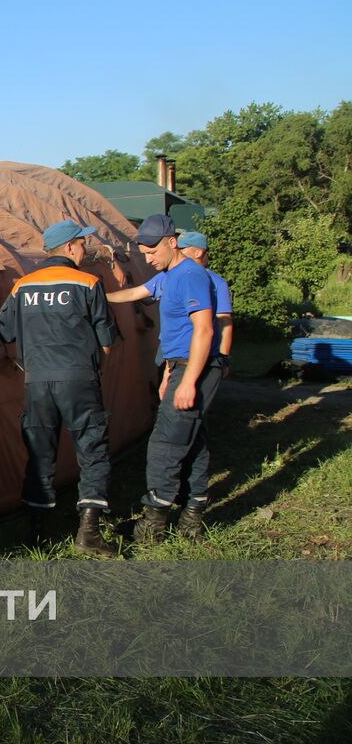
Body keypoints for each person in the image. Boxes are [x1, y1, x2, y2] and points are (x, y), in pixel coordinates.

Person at [0, 219, 119, 556]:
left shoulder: (22, 286)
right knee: (92, 448)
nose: (85, 249)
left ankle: (37, 534)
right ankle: (90, 532)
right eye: (82, 244)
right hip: (79, 377)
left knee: (40, 454)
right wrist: (96, 370)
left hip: (37, 382)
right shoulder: (87, 282)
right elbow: (106, 340)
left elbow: (5, 330)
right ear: (68, 247)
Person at [128, 216, 222, 542]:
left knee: (165, 444)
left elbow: (205, 329)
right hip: (179, 365)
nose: (148, 258)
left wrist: (188, 380)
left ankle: (153, 522)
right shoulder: (169, 275)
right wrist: (96, 293)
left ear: (172, 242)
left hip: (194, 367)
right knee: (192, 439)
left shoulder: (192, 275)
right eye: (143, 253)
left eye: (152, 251)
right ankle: (192, 517)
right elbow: (137, 293)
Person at [106, 230, 234, 380]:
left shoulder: (216, 282)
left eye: (183, 248)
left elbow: (224, 320)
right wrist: (100, 296)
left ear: (198, 252)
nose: (178, 251)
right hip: (169, 349)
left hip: (195, 351)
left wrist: (223, 358)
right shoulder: (168, 275)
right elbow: (135, 294)